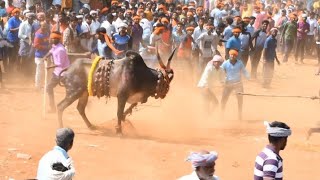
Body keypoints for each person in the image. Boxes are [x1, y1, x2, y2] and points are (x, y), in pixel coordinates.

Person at [43, 31, 71, 113]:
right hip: (57, 72)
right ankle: (52, 107)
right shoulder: (55, 46)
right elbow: (51, 51)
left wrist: (49, 67)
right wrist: (45, 56)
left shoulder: (60, 50)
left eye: (53, 39)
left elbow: (60, 63)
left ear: (58, 39)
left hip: (63, 73)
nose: (51, 40)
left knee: (70, 91)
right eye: (51, 38)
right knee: (49, 87)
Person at [221, 49, 250, 120]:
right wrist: (221, 80)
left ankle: (239, 116)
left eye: (234, 55)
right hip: (228, 84)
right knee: (223, 100)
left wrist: (248, 77)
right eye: (231, 55)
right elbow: (220, 71)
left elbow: (244, 71)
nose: (232, 56)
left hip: (238, 84)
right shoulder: (225, 63)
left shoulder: (240, 63)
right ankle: (221, 114)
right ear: (229, 55)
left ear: (236, 56)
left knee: (240, 100)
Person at [33, 21, 50, 90]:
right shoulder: (38, 34)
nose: (45, 27)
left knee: (45, 72)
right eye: (43, 26)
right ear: (40, 26)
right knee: (39, 72)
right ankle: (38, 86)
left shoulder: (47, 33)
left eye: (46, 26)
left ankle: (43, 85)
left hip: (46, 55)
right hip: (39, 56)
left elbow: (47, 41)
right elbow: (35, 45)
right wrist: (45, 47)